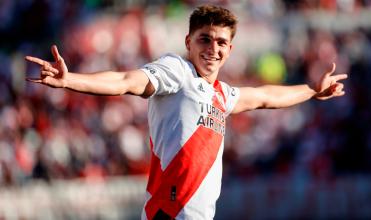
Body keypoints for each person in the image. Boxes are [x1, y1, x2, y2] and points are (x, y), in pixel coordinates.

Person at [26, 4, 347, 220]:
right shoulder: (177, 71)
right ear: (188, 43)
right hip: (169, 213)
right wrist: (71, 80)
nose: (213, 48)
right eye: (204, 39)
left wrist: (312, 90)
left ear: (230, 50)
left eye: (221, 42)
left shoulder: (223, 94)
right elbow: (127, 80)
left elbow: (264, 96)